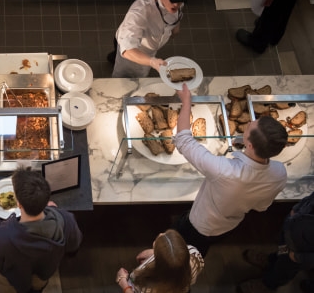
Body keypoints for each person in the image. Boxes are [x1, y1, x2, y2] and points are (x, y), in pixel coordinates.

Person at [172, 83, 288, 257]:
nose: (248, 122)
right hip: (229, 225)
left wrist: (186, 101)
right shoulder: (280, 174)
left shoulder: (224, 171)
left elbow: (183, 140)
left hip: (200, 224)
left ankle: (181, 271)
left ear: (250, 145)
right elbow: (261, 207)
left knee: (183, 250)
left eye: (249, 127)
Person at [0, 166, 83, 293]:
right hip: (42, 275)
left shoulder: (0, 238)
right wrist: (54, 211)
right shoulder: (67, 220)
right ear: (47, 200)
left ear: (19, 204)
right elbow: (73, 247)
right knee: (37, 287)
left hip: (11, 281)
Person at [108, 0, 190, 78]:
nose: (176, 4)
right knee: (127, 76)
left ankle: (112, 57)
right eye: (173, 0)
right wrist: (152, 62)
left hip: (150, 48)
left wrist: (175, 27)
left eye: (180, 1)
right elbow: (127, 49)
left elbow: (178, 10)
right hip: (135, 50)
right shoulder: (140, 11)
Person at [238, 190, 314, 293]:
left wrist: (300, 257)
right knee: (281, 252)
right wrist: (297, 209)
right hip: (293, 229)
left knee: (284, 270)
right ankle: (271, 260)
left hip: (300, 252)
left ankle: (268, 284)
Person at [116, 229, 204, 293]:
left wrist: (124, 283)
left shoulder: (148, 287)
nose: (161, 234)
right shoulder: (194, 254)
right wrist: (158, 254)